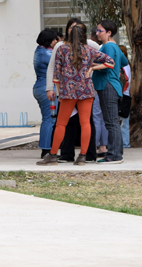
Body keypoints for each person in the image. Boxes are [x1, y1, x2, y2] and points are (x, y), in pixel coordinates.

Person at [37, 23, 114, 166]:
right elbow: (110, 62)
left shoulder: (62, 49)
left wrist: (59, 92)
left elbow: (56, 75)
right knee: (85, 123)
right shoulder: (90, 50)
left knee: (61, 124)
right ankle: (83, 156)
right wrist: (93, 68)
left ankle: (53, 155)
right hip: (86, 91)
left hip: (68, 91)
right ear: (84, 36)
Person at [93, 20, 129, 164]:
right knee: (113, 121)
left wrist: (91, 64)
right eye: (97, 30)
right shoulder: (115, 46)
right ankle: (116, 153)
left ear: (109, 33)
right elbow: (124, 62)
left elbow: (108, 66)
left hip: (107, 84)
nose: (97, 33)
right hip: (113, 86)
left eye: (100, 31)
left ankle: (114, 156)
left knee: (111, 122)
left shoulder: (107, 46)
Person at [33, 29, 62, 156]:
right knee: (49, 119)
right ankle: (46, 150)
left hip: (41, 87)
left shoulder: (39, 51)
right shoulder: (46, 54)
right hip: (47, 90)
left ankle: (49, 148)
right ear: (49, 41)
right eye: (55, 39)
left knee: (50, 119)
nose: (57, 41)